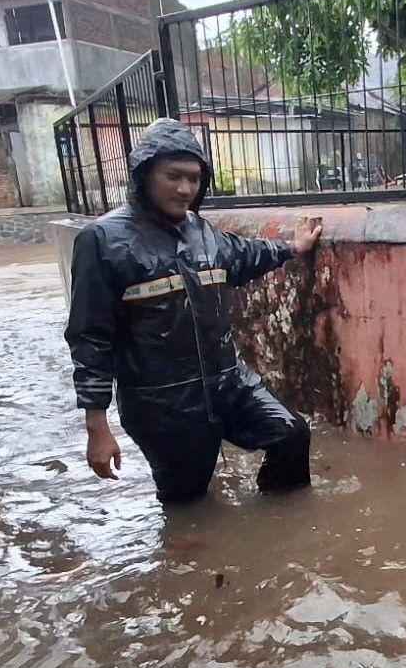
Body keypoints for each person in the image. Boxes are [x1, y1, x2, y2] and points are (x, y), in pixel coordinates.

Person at [65, 118, 323, 504]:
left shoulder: (201, 231)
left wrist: (293, 248)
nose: (186, 189)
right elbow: (90, 337)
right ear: (144, 174)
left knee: (290, 433)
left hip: (229, 384)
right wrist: (96, 426)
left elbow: (245, 255)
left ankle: (278, 520)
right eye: (173, 176)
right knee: (188, 503)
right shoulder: (102, 240)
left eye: (195, 179)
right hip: (163, 405)